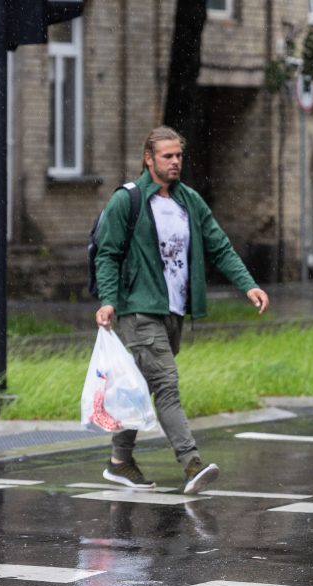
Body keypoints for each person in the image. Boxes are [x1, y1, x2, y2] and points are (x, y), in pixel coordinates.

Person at [94, 126, 269, 494]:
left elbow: (220, 245)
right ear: (149, 158)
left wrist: (248, 284)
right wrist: (108, 300)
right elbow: (107, 255)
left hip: (172, 312)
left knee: (140, 386)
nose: (175, 163)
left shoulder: (188, 201)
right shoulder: (127, 200)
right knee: (167, 385)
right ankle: (191, 464)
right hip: (138, 309)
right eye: (167, 157)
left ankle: (119, 462)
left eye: (179, 156)